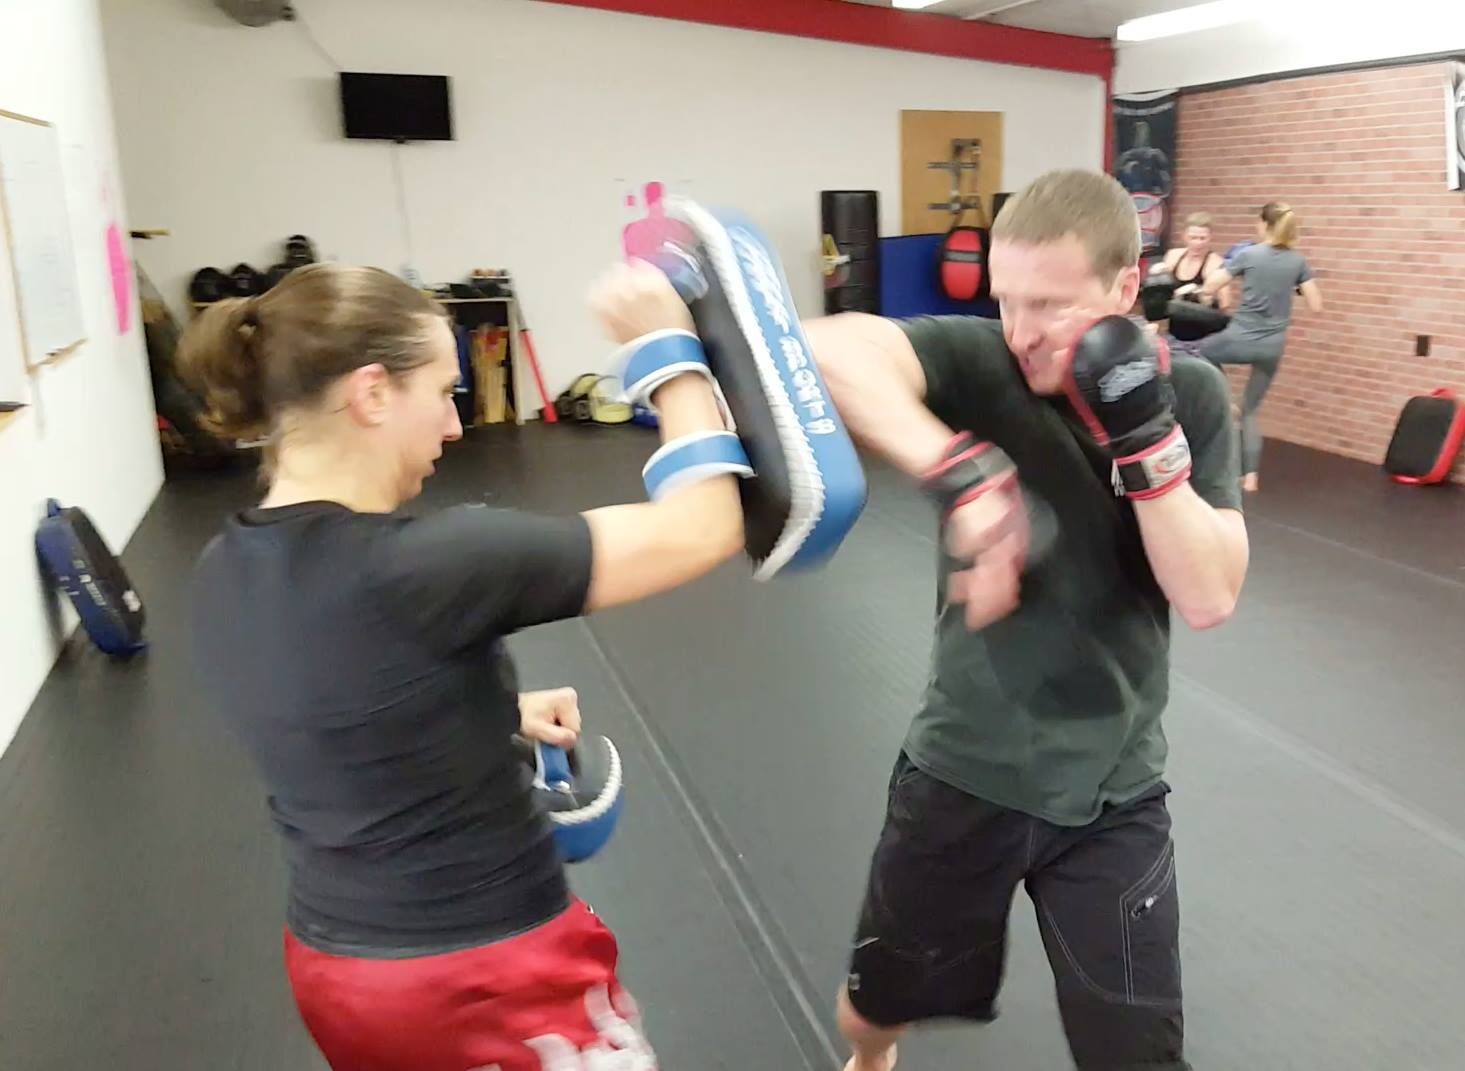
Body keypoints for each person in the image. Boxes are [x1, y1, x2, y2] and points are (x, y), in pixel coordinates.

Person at [179, 259, 739, 1071]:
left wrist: (490, 712)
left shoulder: (223, 566)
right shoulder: (435, 563)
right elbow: (703, 527)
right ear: (371, 392)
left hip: (335, 971)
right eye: (444, 392)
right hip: (485, 973)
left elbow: (324, 702)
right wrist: (668, 349)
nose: (453, 425)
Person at [803, 169, 1250, 1071]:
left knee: (1136, 1054)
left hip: (1114, 792)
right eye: (1006, 300)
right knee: (869, 1013)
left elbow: (1207, 594)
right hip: (966, 766)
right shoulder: (986, 366)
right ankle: (871, 1056)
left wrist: (1143, 439)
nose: (1021, 331)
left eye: (1049, 305)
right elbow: (825, 345)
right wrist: (957, 471)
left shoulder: (1193, 397)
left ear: (1125, 288)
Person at [1195, 201, 1324, 492]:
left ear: (1265, 225)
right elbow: (1317, 305)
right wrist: (1291, 285)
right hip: (1272, 347)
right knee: (1251, 411)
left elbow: (1212, 285)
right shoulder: (1298, 261)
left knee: (1201, 352)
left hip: (1238, 339)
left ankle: (1225, 400)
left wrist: (1204, 294)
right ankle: (1250, 477)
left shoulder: (1249, 254)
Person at [1160, 211, 1223, 298]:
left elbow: (1225, 304)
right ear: (1184, 236)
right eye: (1193, 238)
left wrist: (1200, 291)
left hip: (1199, 310)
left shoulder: (1215, 263)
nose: (1198, 243)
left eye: (1203, 238)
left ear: (1210, 237)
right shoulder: (1173, 256)